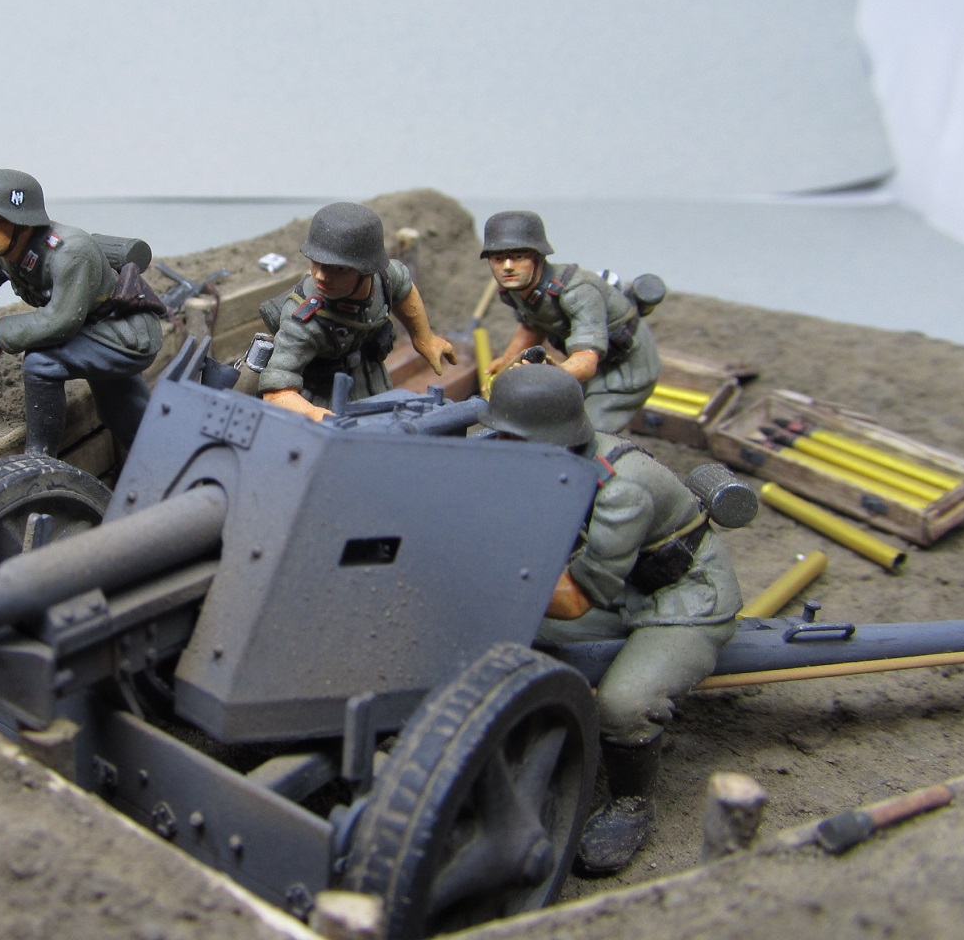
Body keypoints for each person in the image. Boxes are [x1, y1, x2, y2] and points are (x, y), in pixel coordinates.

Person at [486, 363, 743, 876]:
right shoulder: (548, 456)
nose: (499, 447)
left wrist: (483, 566)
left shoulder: (621, 489)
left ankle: (631, 802)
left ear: (547, 438)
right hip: (621, 585)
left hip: (682, 599)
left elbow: (575, 600)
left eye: (510, 438)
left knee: (624, 704)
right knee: (509, 637)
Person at [0, 169, 164, 458]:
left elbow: (60, 321)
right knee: (124, 413)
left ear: (24, 222)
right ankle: (160, 459)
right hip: (91, 330)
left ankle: (40, 458)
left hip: (123, 335)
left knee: (41, 362)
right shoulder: (6, 250)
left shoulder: (69, 251)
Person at [258, 202, 457, 422]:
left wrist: (423, 338)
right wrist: (316, 415)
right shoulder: (303, 320)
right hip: (324, 394)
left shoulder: (384, 278)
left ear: (367, 270)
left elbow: (404, 288)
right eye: (316, 262)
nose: (320, 276)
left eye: (339, 268)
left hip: (370, 378)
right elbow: (276, 390)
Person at [481, 210, 662, 433]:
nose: (508, 266)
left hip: (623, 372)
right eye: (498, 258)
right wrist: (508, 359)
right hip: (580, 368)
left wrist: (552, 375)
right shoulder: (516, 289)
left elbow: (586, 358)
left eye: (519, 257)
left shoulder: (577, 292)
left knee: (585, 434)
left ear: (538, 257)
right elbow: (532, 324)